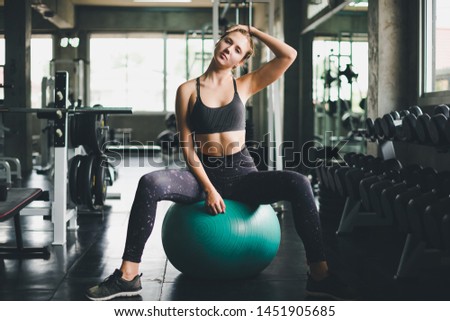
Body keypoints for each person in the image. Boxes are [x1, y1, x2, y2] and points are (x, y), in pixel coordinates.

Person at [85, 25, 355, 301]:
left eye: (238, 49)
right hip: (202, 175)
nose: (229, 49)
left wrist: (252, 31)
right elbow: (187, 148)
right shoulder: (187, 90)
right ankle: (129, 275)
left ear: (241, 61)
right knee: (149, 182)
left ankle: (320, 276)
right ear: (218, 43)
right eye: (227, 42)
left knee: (298, 182)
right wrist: (210, 188)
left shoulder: (245, 84)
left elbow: (289, 55)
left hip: (243, 174)